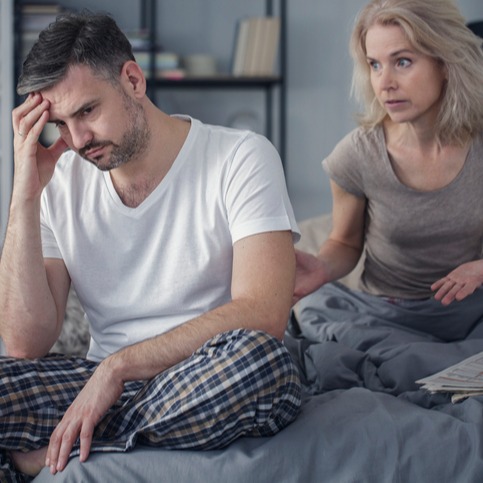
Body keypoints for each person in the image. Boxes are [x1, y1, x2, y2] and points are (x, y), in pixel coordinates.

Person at [0, 10, 302, 481]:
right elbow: (25, 342)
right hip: (101, 384)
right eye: (60, 123)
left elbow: (263, 314)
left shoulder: (241, 157)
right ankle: (124, 434)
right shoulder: (58, 183)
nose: (77, 140)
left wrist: (118, 369)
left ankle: (61, 449)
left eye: (87, 111)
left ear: (133, 79)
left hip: (210, 373)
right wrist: (25, 191)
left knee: (264, 364)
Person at [293, 0, 483, 345]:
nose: (385, 83)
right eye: (375, 65)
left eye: (403, 62)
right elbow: (344, 242)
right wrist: (320, 268)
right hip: (386, 317)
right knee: (316, 317)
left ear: (445, 63)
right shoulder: (356, 154)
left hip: (471, 316)